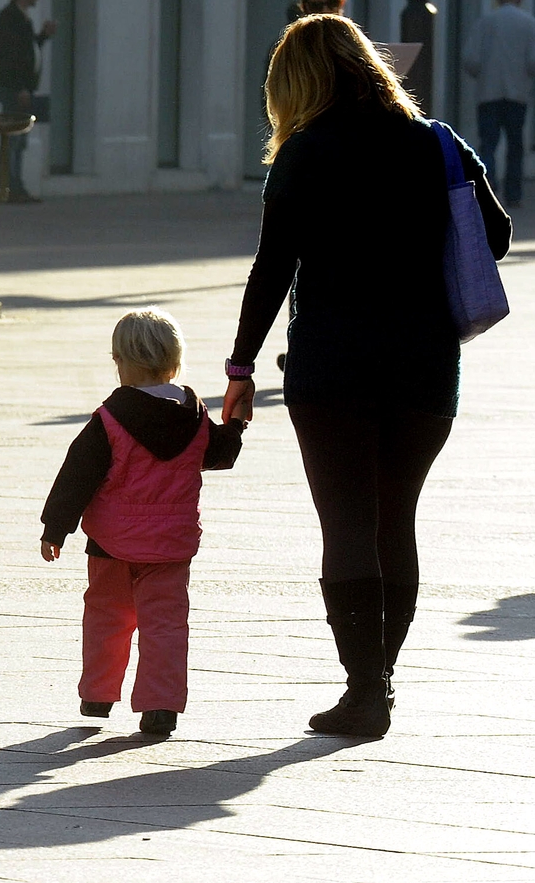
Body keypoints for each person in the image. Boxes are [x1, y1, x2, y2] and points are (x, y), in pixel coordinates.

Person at [223, 15, 511, 737]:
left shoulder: (305, 153)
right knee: (395, 518)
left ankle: (365, 687)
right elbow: (499, 236)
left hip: (333, 364)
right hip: (424, 365)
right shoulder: (437, 143)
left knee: (347, 521)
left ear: (295, 84)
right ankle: (381, 677)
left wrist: (241, 367)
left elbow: (273, 267)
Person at [40, 308, 245, 736]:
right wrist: (236, 423)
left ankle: (97, 693)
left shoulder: (110, 420)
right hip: (171, 545)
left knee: (106, 615)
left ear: (122, 361)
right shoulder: (194, 415)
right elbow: (217, 456)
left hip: (112, 544)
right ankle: (160, 705)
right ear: (174, 358)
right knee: (166, 624)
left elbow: (76, 475)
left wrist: (55, 527)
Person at [463, 0, 535, 209]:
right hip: (517, 93)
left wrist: (484, 72)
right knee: (515, 145)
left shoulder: (485, 22)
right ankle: (513, 194)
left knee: (488, 143)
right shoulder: (528, 23)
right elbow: (533, 62)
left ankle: (488, 187)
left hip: (488, 92)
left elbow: (470, 59)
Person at [0, 0, 55, 203]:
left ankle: (14, 185)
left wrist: (43, 36)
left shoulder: (21, 18)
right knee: (14, 139)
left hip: (22, 89)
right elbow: (9, 56)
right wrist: (20, 87)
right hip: (15, 89)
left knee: (19, 139)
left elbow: (27, 50)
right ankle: (10, 186)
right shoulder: (9, 18)